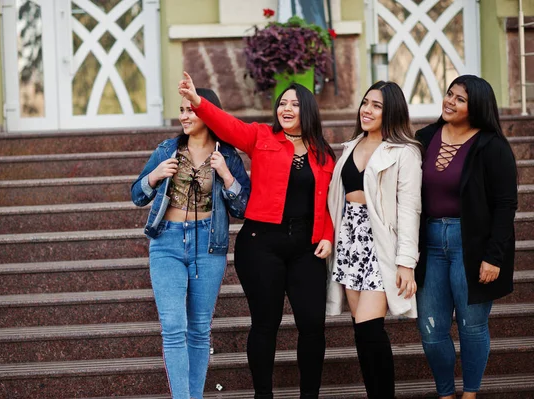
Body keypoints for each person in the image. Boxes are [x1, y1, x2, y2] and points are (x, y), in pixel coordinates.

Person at [178, 72, 336, 399]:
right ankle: (262, 395)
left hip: (307, 247)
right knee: (266, 324)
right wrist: (197, 101)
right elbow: (226, 125)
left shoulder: (324, 153)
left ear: (308, 110)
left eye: (294, 103)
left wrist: (328, 235)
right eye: (282, 103)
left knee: (312, 326)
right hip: (261, 245)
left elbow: (333, 201)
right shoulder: (261, 136)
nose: (286, 108)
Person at [130, 88, 250, 399]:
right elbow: (137, 195)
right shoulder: (167, 150)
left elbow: (243, 209)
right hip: (167, 242)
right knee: (173, 326)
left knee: (198, 330)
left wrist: (227, 177)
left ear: (209, 113)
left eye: (190, 110)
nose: (183, 116)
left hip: (208, 245)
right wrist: (155, 175)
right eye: (181, 109)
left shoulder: (228, 158)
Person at [415, 75, 517, 399]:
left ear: (477, 108)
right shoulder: (425, 137)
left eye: (460, 99)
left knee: (472, 327)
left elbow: (506, 204)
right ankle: (445, 394)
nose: (450, 101)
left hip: (470, 244)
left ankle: (470, 394)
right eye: (449, 94)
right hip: (430, 242)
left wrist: (494, 255)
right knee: (432, 331)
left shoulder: (492, 145)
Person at [326, 81, 422, 398]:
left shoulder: (405, 152)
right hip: (348, 242)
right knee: (362, 331)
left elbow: (410, 208)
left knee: (370, 330)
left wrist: (406, 263)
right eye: (365, 102)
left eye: (376, 105)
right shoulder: (350, 147)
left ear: (391, 110)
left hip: (380, 244)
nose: (367, 110)